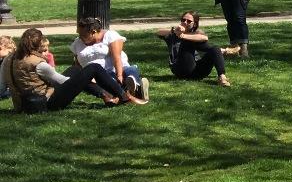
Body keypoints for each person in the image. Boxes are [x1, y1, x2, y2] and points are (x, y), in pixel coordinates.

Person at [4, 28, 143, 112]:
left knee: (75, 69)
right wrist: (85, 79)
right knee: (93, 68)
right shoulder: (38, 63)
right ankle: (124, 96)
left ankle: (106, 96)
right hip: (44, 103)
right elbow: (62, 81)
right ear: (38, 45)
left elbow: (1, 86)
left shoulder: (8, 59)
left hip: (21, 104)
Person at [73, 16, 148, 100]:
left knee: (130, 71)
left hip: (118, 69)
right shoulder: (77, 43)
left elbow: (117, 57)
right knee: (110, 81)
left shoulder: (110, 36)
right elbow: (77, 64)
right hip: (101, 76)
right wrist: (87, 77)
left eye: (82, 34)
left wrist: (119, 75)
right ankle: (134, 90)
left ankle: (133, 86)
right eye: (78, 33)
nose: (79, 36)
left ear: (93, 32)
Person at [159, 12, 233, 87]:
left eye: (188, 21)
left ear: (194, 24)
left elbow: (204, 38)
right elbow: (159, 32)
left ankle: (222, 77)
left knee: (215, 49)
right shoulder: (174, 34)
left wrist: (183, 35)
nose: (185, 22)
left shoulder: (196, 33)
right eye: (183, 20)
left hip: (197, 70)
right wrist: (174, 31)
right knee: (187, 41)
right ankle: (223, 51)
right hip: (180, 69)